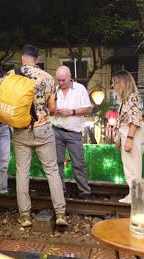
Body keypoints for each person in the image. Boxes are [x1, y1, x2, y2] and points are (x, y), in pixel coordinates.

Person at [7, 45, 67, 227]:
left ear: (22, 57)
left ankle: (25, 216)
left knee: (22, 173)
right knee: (52, 171)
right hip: (43, 129)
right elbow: (53, 109)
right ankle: (60, 214)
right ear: (38, 59)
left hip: (20, 130)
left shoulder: (12, 75)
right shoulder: (48, 78)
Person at [51, 65, 92, 199]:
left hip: (73, 132)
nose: (61, 83)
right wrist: (53, 111)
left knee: (78, 163)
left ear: (70, 77)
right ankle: (60, 192)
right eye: (59, 80)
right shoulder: (54, 90)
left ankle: (85, 192)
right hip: (56, 130)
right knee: (57, 164)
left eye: (63, 80)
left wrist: (72, 112)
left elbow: (88, 109)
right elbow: (48, 108)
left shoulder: (80, 89)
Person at [111, 70, 144, 203]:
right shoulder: (126, 100)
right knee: (129, 166)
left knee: (133, 167)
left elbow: (135, 120)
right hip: (127, 134)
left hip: (133, 135)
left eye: (115, 83)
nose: (113, 86)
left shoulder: (133, 97)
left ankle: (135, 196)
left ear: (123, 83)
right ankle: (134, 194)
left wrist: (129, 139)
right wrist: (119, 139)